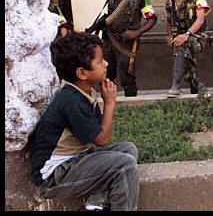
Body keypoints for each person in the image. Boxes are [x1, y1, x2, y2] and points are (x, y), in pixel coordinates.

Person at [29, 32, 139, 211]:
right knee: (124, 165)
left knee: (128, 149)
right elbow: (102, 140)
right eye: (100, 61)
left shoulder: (84, 92)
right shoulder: (71, 101)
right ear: (82, 73)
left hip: (75, 159)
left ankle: (94, 204)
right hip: (53, 175)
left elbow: (97, 137)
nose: (106, 64)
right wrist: (110, 102)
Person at [103, 0, 157, 97]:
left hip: (127, 43)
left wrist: (137, 32)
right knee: (106, 74)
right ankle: (110, 103)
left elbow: (152, 18)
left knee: (127, 75)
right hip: (110, 40)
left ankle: (131, 102)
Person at [165, 0, 211, 97]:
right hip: (181, 37)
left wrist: (187, 34)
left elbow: (200, 19)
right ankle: (195, 85)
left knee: (182, 45)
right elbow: (168, 20)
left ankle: (176, 85)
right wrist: (169, 36)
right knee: (185, 52)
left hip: (197, 37)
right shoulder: (170, 2)